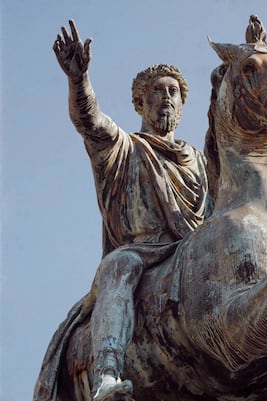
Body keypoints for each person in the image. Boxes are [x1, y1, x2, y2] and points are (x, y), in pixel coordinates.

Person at [47, 20, 209, 401]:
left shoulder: (202, 162)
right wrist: (78, 78)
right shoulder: (123, 148)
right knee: (119, 267)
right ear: (140, 102)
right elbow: (89, 121)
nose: (166, 98)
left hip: (192, 256)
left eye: (173, 92)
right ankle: (106, 372)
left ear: (183, 106)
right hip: (141, 253)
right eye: (157, 91)